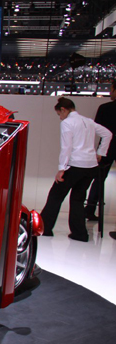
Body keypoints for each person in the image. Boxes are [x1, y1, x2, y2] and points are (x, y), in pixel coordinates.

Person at [40, 97, 111, 242]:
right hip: (90, 166)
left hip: (75, 165)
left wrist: (62, 168)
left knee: (55, 196)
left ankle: (44, 228)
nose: (60, 118)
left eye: (59, 114)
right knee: (78, 199)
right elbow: (107, 134)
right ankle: (79, 234)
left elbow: (66, 147)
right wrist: (100, 153)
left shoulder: (67, 123)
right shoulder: (88, 121)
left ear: (63, 109)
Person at [85, 80, 116, 221]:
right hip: (107, 147)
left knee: (98, 179)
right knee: (98, 179)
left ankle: (90, 209)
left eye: (111, 89)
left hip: (107, 148)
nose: (110, 92)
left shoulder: (104, 108)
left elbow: (96, 129)